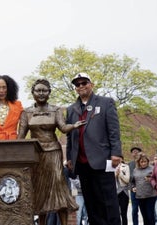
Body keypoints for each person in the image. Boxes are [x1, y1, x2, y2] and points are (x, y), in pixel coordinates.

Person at [18, 78, 85, 225]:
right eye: (38, 90)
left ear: (49, 93)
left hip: (54, 152)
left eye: (44, 90)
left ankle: (64, 223)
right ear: (33, 93)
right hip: (37, 156)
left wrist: (74, 125)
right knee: (39, 190)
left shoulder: (55, 110)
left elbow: (62, 127)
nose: (41, 93)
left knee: (58, 187)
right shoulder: (26, 112)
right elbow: (20, 137)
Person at [65, 72, 122, 225]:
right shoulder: (71, 109)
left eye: (84, 83)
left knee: (108, 201)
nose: (81, 86)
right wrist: (69, 157)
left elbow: (114, 130)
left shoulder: (105, 102)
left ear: (91, 84)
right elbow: (70, 136)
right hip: (82, 163)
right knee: (91, 203)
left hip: (102, 160)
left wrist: (116, 153)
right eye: (78, 84)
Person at [131, 153, 157, 225]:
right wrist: (133, 187)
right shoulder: (135, 170)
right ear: (138, 162)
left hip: (151, 195)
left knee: (150, 215)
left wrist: (151, 180)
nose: (143, 163)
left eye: (145, 161)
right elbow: (132, 182)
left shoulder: (152, 168)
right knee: (144, 216)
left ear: (148, 161)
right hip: (140, 196)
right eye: (141, 162)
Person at [128, 146, 142, 225]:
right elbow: (128, 178)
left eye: (137, 151)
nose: (135, 153)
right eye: (133, 152)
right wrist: (132, 187)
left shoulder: (144, 162)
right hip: (134, 190)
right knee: (134, 210)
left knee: (146, 210)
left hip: (144, 190)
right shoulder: (129, 164)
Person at [115, 156, 130, 225]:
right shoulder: (111, 167)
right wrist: (115, 174)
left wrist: (120, 174)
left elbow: (127, 180)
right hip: (114, 192)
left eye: (120, 158)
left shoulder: (126, 167)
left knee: (123, 213)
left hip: (124, 192)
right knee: (115, 213)